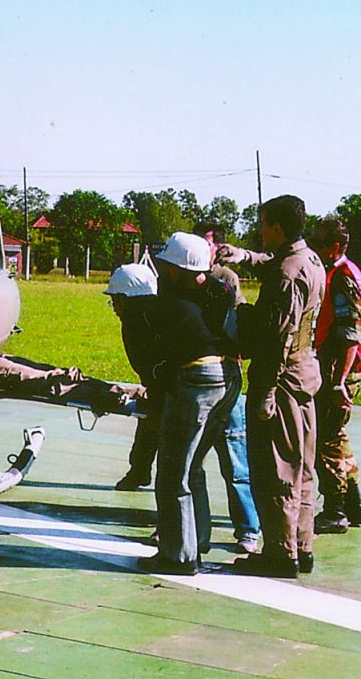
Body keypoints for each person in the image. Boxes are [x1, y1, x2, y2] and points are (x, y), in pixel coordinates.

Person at [217, 195, 325, 578]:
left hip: (281, 380)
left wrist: (264, 392)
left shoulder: (286, 274)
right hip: (305, 374)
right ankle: (300, 545)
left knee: (275, 467)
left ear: (276, 227)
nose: (261, 231)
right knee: (302, 468)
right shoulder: (310, 260)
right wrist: (244, 256)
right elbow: (275, 264)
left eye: (263, 224)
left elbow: (277, 337)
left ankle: (280, 553)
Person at [137, 232, 242, 576]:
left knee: (172, 473)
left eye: (169, 266)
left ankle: (178, 556)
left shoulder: (170, 303)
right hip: (230, 378)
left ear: (179, 269)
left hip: (197, 379)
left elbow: (162, 353)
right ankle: (197, 541)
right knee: (193, 466)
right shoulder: (220, 291)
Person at [192, 222, 262, 554]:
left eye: (206, 243)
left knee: (235, 458)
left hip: (224, 374)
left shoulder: (226, 279)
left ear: (218, 247)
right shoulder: (182, 278)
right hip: (195, 378)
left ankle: (248, 528)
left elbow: (236, 324)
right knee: (187, 460)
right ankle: (188, 527)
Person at [307, 217, 361, 534]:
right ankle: (353, 504)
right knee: (336, 437)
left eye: (318, 243)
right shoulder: (338, 272)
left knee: (324, 439)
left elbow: (351, 335)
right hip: (335, 365)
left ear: (335, 247)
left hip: (338, 368)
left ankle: (335, 510)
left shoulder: (343, 278)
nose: (313, 247)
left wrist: (339, 381)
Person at [105, 265, 164, 493]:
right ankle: (139, 470)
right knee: (149, 418)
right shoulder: (147, 316)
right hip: (163, 386)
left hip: (180, 388)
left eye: (115, 301)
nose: (114, 308)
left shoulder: (138, 323)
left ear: (125, 299)